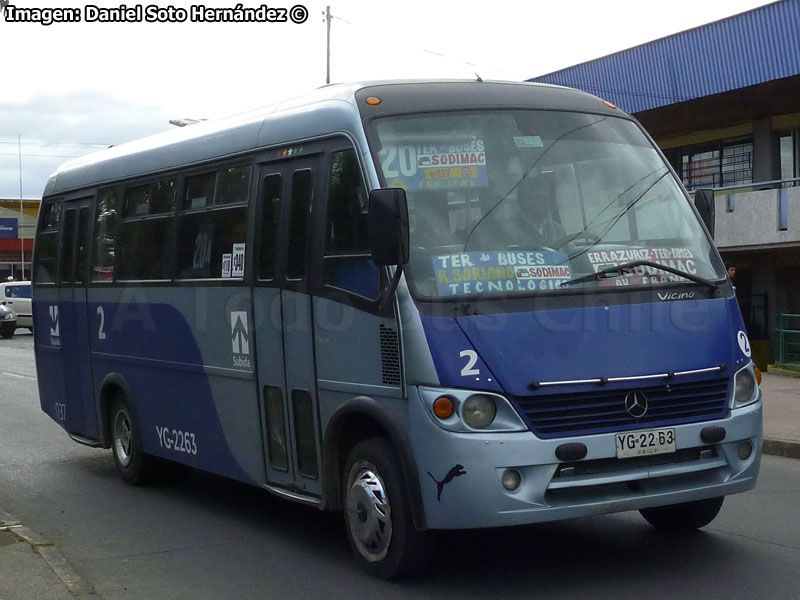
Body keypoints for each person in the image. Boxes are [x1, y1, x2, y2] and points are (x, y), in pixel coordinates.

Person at [516, 174, 566, 247]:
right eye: (540, 197)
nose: (547, 202)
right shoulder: (508, 230)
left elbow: (569, 254)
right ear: (525, 201)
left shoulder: (558, 230)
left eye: (547, 197)